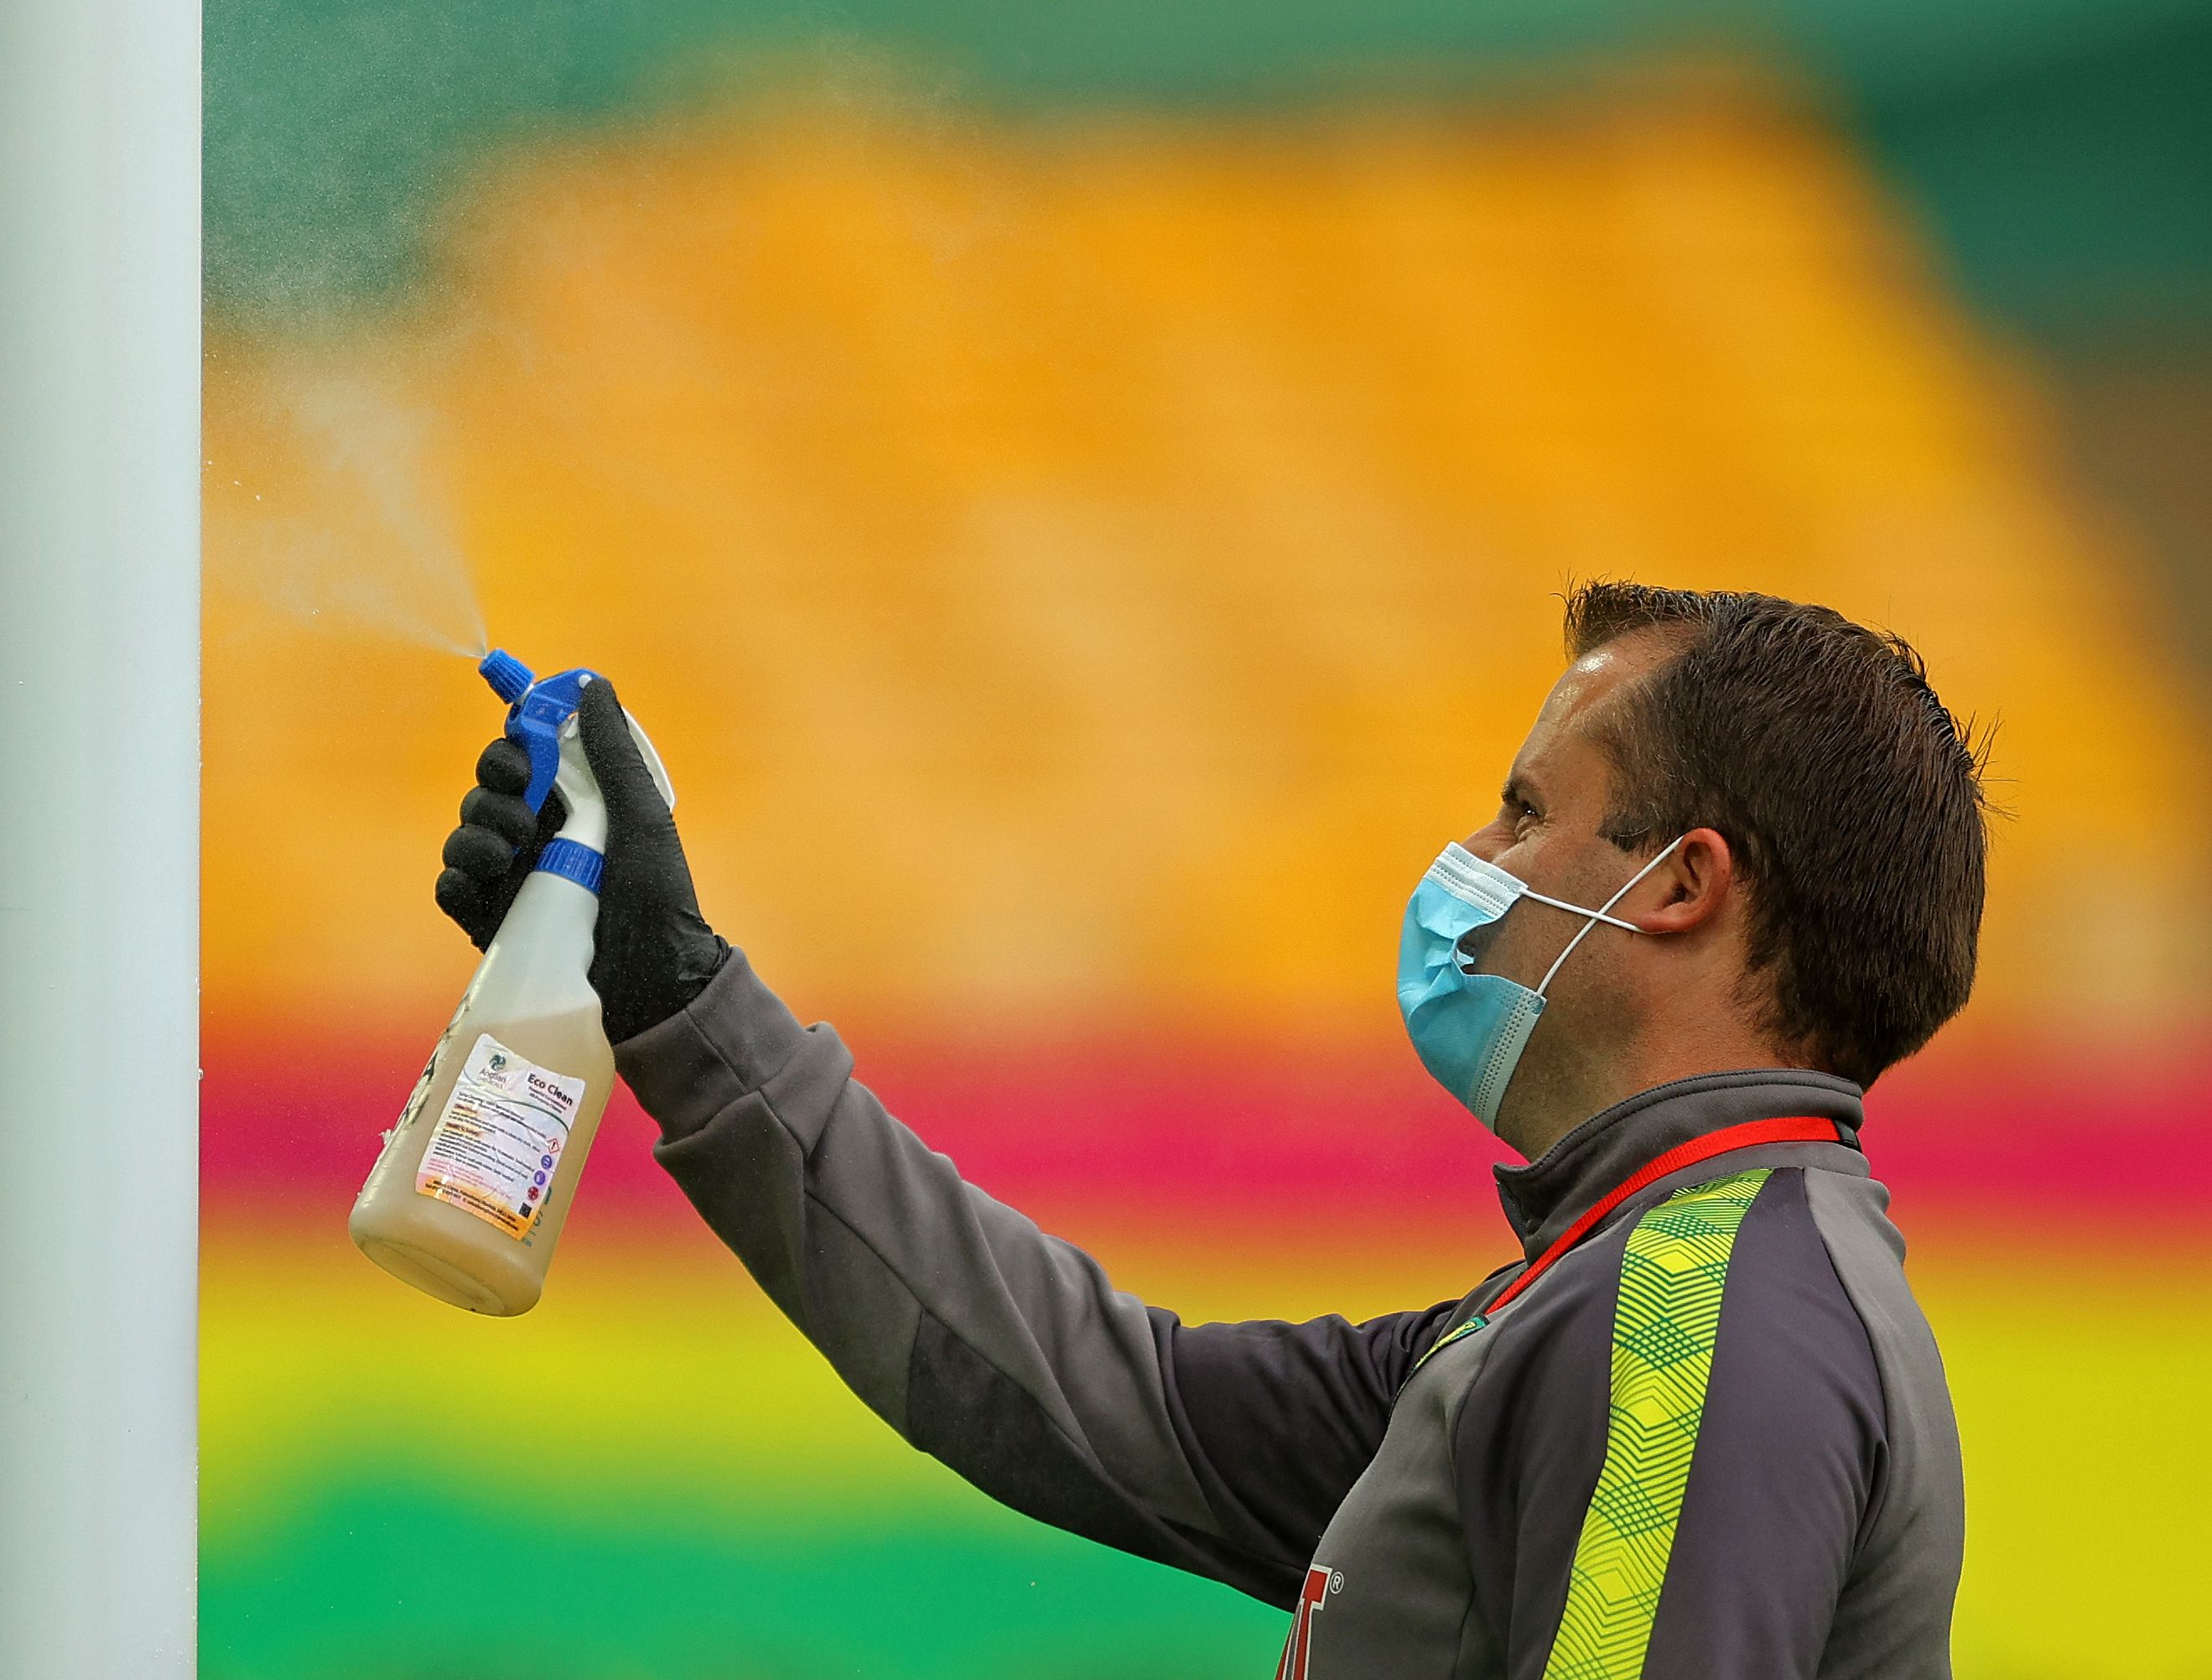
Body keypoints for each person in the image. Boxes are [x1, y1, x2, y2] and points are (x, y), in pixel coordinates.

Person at [436, 582, 1979, 1680]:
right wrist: (669, 982)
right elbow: (1101, 1401)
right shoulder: (1623, 1284)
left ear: (1676, 886)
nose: (1472, 858)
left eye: (1522, 810)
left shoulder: (1691, 1325)